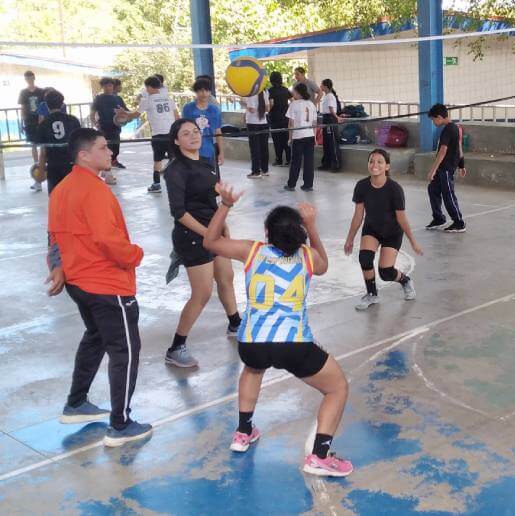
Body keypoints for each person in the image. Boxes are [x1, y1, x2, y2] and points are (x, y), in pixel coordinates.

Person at [203, 184, 354, 477]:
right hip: (293, 344)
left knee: (253, 368)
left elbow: (210, 241)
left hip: (252, 342)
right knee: (337, 388)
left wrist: (225, 204)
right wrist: (312, 225)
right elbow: (323, 265)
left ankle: (243, 432)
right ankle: (320, 457)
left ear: (267, 232)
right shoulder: (307, 257)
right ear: (299, 234)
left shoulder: (252, 250)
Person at [46, 128, 152, 447]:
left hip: (78, 281)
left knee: (96, 337)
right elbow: (108, 241)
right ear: (84, 155)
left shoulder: (62, 189)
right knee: (126, 350)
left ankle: (76, 403)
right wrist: (135, 255)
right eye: (104, 148)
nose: (110, 153)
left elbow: (53, 235)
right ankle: (120, 425)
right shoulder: (94, 191)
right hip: (106, 283)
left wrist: (57, 267)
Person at [162, 119, 241, 368]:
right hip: (192, 236)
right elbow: (179, 212)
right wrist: (209, 232)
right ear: (176, 141)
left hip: (213, 231)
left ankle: (235, 324)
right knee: (202, 293)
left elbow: (213, 201)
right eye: (185, 134)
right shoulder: (175, 169)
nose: (193, 136)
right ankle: (176, 347)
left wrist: (223, 224)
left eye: (195, 132)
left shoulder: (208, 163)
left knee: (226, 278)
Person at [344, 149, 423, 311]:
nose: (375, 165)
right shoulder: (361, 186)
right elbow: (358, 216)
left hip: (392, 233)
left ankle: (405, 280)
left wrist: (413, 242)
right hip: (372, 229)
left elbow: (402, 219)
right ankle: (372, 295)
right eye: (372, 161)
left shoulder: (395, 189)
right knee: (365, 259)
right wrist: (350, 239)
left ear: (387, 166)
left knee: (386, 272)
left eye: (379, 162)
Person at [127, 75, 180, 193]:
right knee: (174, 158)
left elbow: (135, 115)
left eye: (146, 87)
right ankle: (177, 183)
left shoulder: (147, 101)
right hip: (171, 133)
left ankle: (156, 184)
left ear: (149, 87)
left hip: (158, 135)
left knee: (157, 160)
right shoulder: (169, 99)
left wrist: (124, 113)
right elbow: (177, 117)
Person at [426, 103, 466, 233]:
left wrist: (432, 170)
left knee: (448, 195)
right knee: (432, 189)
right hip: (442, 169)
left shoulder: (449, 129)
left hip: (446, 169)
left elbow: (442, 151)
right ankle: (439, 218)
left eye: (433, 119)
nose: (433, 122)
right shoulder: (455, 128)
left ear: (439, 117)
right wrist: (462, 164)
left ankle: (459, 222)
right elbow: (459, 148)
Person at [37, 90, 81, 194]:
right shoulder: (73, 120)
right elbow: (80, 145)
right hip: (71, 164)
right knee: (73, 194)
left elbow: (43, 151)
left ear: (47, 106)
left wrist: (41, 170)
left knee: (55, 195)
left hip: (53, 164)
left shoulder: (44, 124)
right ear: (62, 104)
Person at [182, 78, 224, 174]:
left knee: (209, 181)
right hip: (191, 151)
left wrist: (221, 152)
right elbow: (183, 129)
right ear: (196, 92)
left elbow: (218, 132)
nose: (204, 93)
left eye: (207, 90)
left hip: (208, 152)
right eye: (201, 90)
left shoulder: (215, 110)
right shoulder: (188, 108)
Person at [284, 83, 317, 192]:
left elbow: (291, 123)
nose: (292, 93)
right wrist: (315, 138)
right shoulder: (311, 104)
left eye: (294, 91)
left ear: (298, 93)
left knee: (296, 162)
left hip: (298, 137)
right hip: (310, 136)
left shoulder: (294, 104)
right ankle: (308, 185)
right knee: (309, 161)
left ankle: (291, 184)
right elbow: (314, 123)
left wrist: (290, 138)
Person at [90, 77, 127, 172]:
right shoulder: (99, 98)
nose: (108, 87)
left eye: (110, 85)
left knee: (116, 148)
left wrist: (124, 118)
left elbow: (126, 112)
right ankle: (105, 170)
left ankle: (114, 161)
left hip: (116, 127)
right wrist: (95, 124)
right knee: (105, 150)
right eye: (105, 85)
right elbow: (92, 113)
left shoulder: (118, 98)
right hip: (103, 128)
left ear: (113, 86)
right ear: (102, 86)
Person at [19, 71, 45, 186]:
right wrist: (22, 122)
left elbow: (45, 106)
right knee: (33, 145)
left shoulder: (41, 91)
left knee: (44, 145)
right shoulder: (23, 92)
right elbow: (23, 108)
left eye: (30, 77)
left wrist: (43, 120)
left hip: (41, 122)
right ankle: (36, 169)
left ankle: (43, 167)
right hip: (29, 122)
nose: (29, 79)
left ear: (34, 77)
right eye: (27, 78)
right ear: (25, 79)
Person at [242, 87, 271, 179]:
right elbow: (268, 108)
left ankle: (256, 171)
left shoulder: (251, 93)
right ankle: (265, 170)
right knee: (264, 147)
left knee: (255, 148)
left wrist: (243, 104)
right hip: (263, 123)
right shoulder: (264, 92)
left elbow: (252, 109)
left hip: (252, 123)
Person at [267, 71, 291, 167]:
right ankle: (289, 159)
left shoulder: (270, 91)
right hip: (286, 119)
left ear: (271, 80)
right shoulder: (286, 90)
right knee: (286, 139)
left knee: (277, 141)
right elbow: (293, 101)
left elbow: (271, 104)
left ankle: (279, 160)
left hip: (275, 119)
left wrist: (268, 110)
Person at [318, 79, 342, 172]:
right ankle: (326, 163)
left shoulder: (330, 96)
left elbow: (331, 109)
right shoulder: (326, 96)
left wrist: (337, 117)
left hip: (330, 119)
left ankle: (336, 165)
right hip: (325, 118)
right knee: (326, 143)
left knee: (332, 143)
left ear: (325, 86)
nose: (320, 86)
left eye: (321, 84)